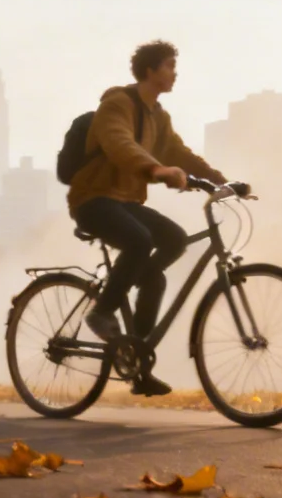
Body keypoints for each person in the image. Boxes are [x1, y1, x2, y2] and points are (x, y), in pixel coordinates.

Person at [67, 40, 226, 397]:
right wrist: (156, 169)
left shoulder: (159, 118)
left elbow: (179, 153)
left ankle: (135, 361)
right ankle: (101, 312)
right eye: (170, 65)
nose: (175, 72)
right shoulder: (116, 105)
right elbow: (120, 144)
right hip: (93, 200)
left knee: (172, 242)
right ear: (150, 71)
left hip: (126, 202)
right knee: (140, 241)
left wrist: (221, 180)